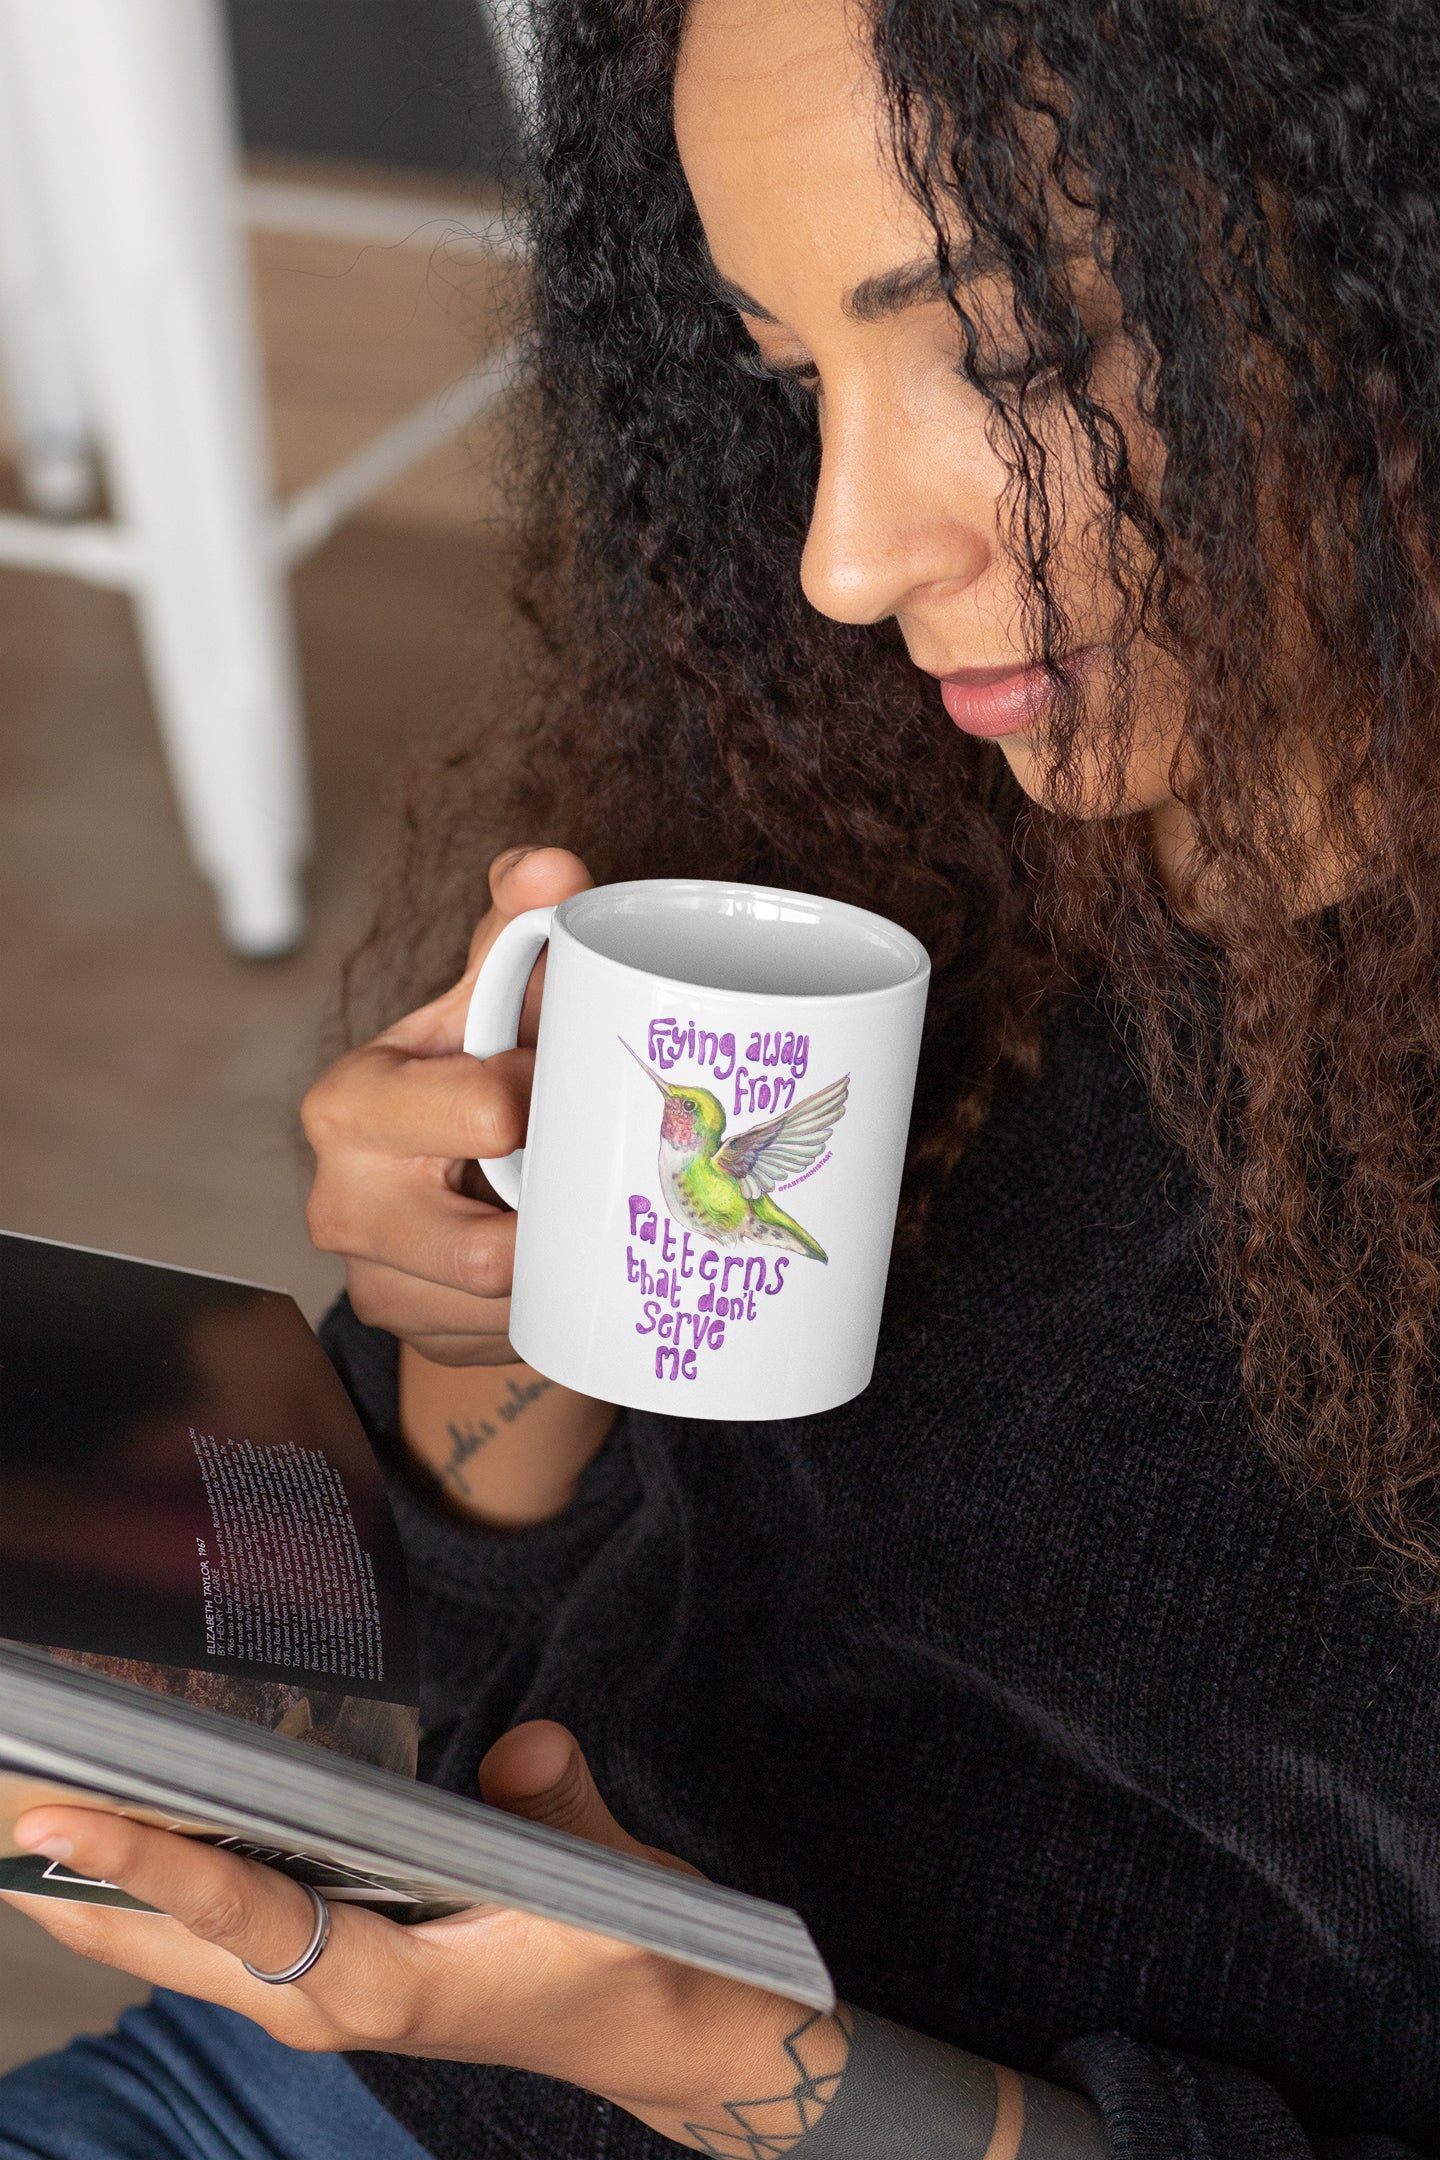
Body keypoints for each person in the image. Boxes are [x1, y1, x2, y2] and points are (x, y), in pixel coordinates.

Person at [4, 0, 1440, 2152]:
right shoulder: (865, 823)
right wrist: (480, 1353)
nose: (844, 561)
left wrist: (709, 2054)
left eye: (1020, 354)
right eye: (787, 378)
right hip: (336, 2086)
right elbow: (448, 1677)